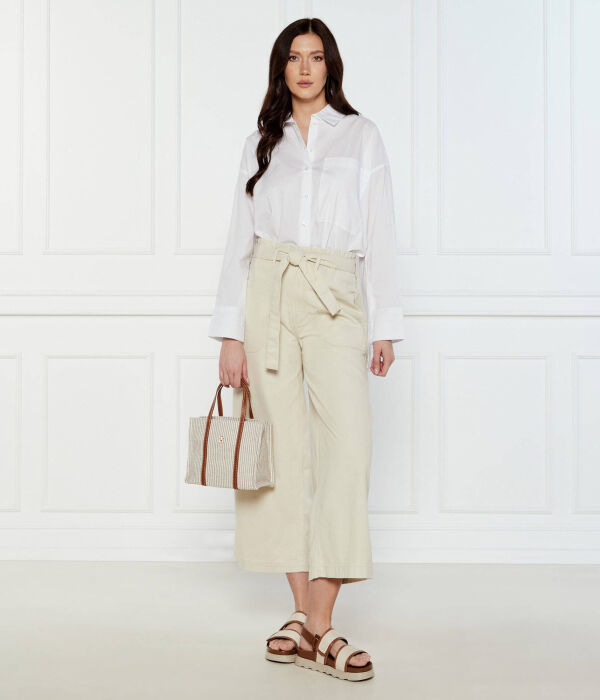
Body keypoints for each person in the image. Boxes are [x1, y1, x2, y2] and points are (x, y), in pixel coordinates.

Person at [207, 17, 405, 682]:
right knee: (282, 456)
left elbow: (380, 231)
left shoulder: (362, 135)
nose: (305, 68)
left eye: (316, 57)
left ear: (331, 66)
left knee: (348, 448)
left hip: (335, 296)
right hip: (269, 293)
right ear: (281, 67)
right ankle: (303, 616)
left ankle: (318, 621)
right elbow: (239, 239)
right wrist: (231, 333)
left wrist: (384, 324)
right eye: (294, 57)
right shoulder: (262, 142)